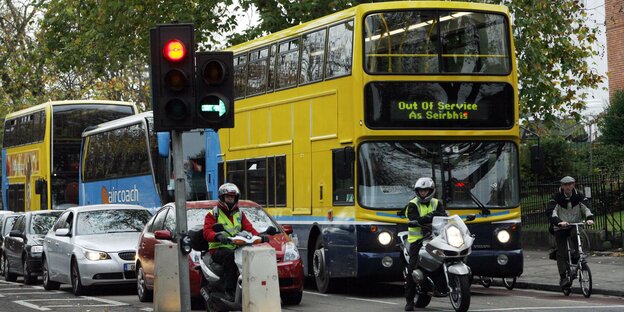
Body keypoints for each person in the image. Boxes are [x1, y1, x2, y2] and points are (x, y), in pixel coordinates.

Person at [203, 183, 260, 299]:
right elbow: (207, 232)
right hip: (218, 248)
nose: (230, 199)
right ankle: (229, 290)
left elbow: (250, 229)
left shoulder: (239, 214)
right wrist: (217, 236)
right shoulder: (213, 214)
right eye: (228, 197)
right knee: (230, 257)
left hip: (237, 247)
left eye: (232, 197)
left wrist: (261, 236)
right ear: (222, 198)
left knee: (252, 257)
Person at [403, 177, 447, 311]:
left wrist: (427, 218)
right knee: (412, 268)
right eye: (420, 191)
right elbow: (414, 219)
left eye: (425, 190)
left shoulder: (437, 202)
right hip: (417, 241)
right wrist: (431, 216)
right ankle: (409, 301)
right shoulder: (412, 204)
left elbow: (443, 215)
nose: (423, 193)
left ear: (431, 190)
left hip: (435, 237)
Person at [548, 176, 594, 288]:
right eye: (565, 185)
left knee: (577, 234)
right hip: (560, 227)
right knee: (561, 253)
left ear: (574, 185)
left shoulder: (579, 196)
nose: (568, 187)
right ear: (562, 186)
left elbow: (586, 208)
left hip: (574, 225)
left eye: (570, 184)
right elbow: (551, 212)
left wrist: (589, 218)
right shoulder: (556, 198)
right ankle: (563, 277)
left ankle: (577, 255)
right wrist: (559, 222)